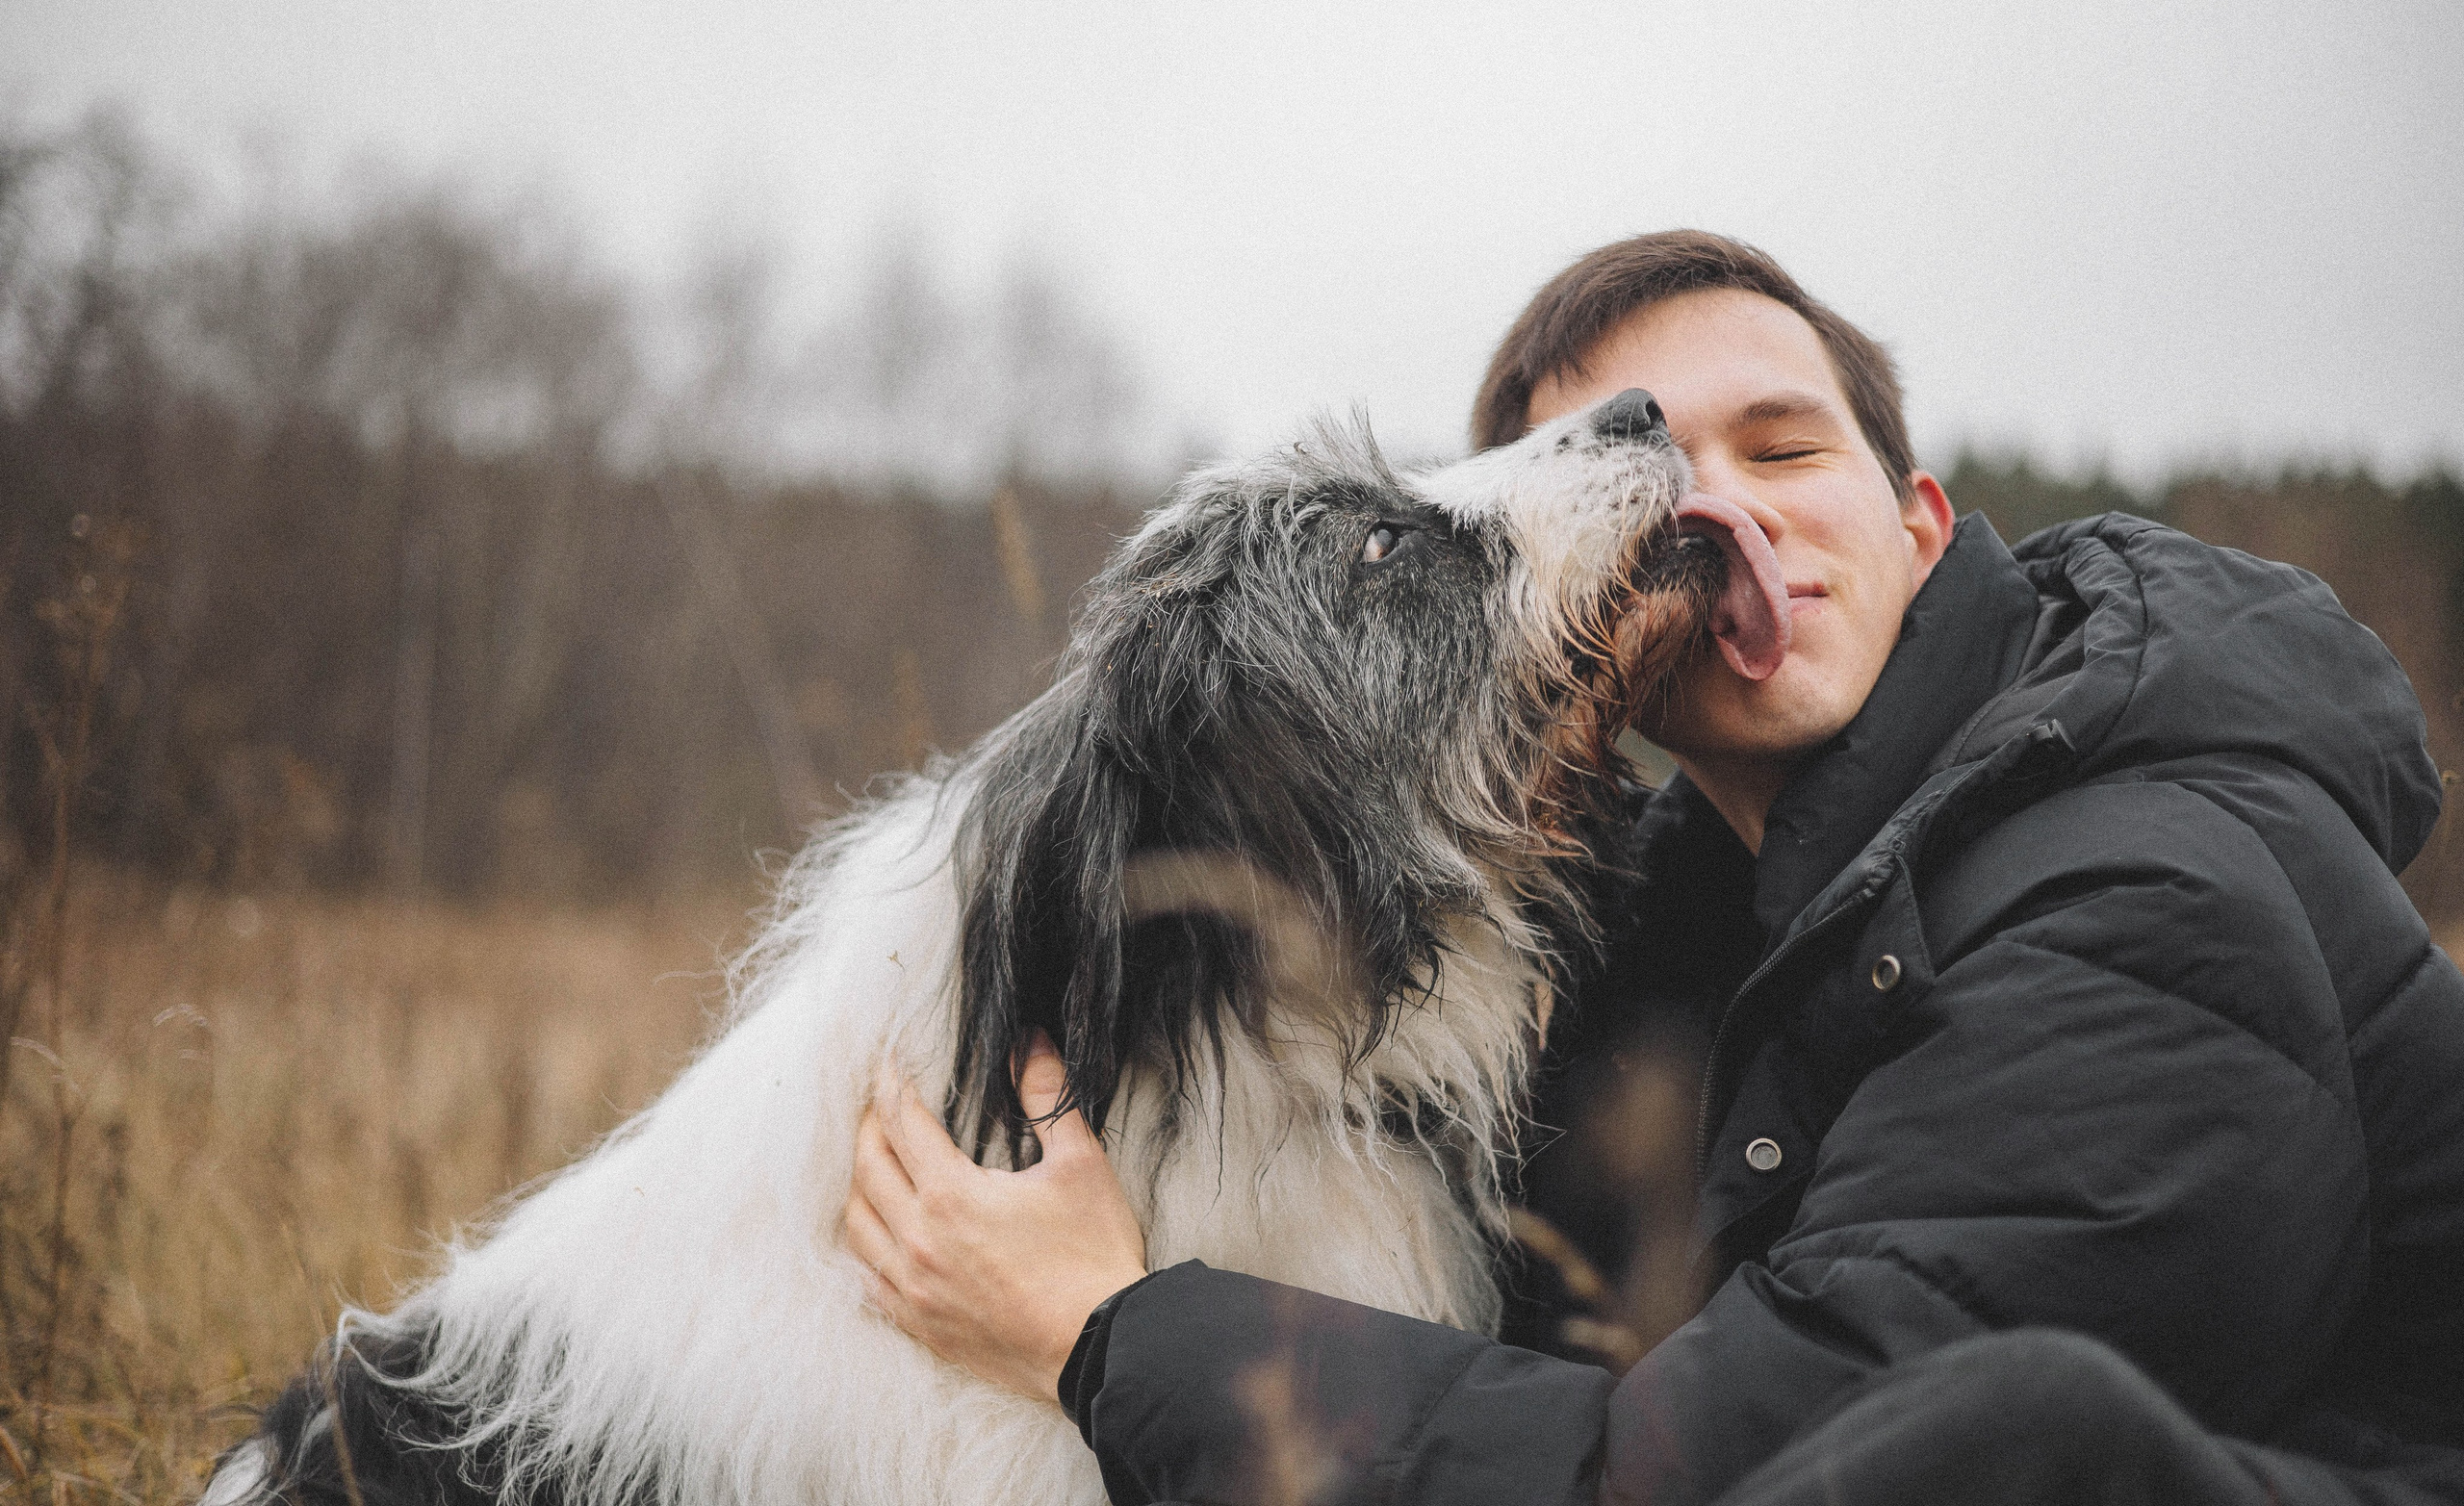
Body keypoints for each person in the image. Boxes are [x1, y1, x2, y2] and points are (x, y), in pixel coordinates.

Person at [842, 231, 2464, 1504]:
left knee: (2006, 1435)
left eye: (1784, 449)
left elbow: (1729, 1480)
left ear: (1919, 522)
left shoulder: (2141, 896)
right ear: (1565, 641)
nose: (1719, 509)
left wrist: (1113, 1334)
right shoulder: (1676, 928)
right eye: (1642, 471)